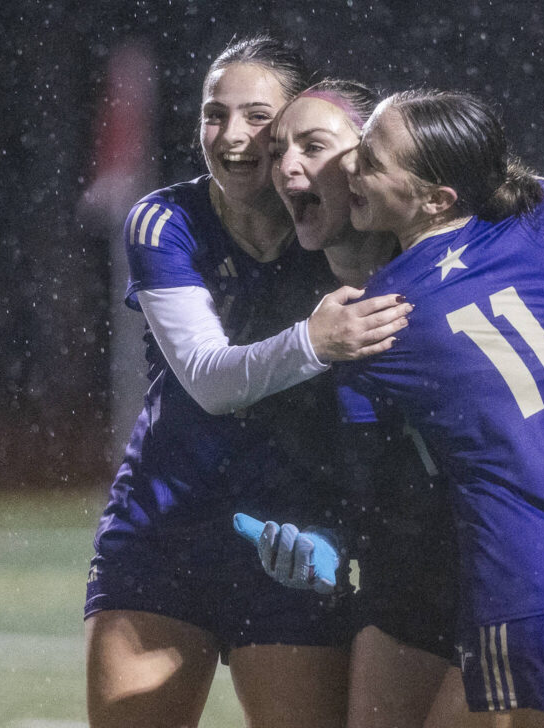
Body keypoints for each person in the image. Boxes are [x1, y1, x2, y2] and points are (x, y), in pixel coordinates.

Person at [253, 80, 544, 728]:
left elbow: (367, 484)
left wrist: (322, 540)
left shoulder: (374, 318)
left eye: (367, 158)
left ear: (436, 197)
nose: (346, 168)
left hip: (521, 591)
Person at [82, 37, 413, 728]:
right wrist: (313, 341)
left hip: (297, 544)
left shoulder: (348, 223)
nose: (232, 136)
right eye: (213, 114)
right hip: (164, 533)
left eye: (257, 116)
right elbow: (208, 379)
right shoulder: (166, 220)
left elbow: (473, 206)